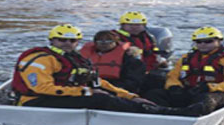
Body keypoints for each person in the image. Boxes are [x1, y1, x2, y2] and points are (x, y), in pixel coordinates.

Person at [11, 24, 162, 114]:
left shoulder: (76, 59)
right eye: (62, 40)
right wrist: (85, 92)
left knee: (106, 93)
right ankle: (152, 113)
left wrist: (130, 96)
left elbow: (99, 82)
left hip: (61, 96)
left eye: (72, 40)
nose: (67, 43)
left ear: (77, 42)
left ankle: (145, 107)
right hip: (34, 101)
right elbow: (42, 87)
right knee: (99, 98)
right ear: (52, 40)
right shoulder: (41, 59)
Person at [143, 26, 224, 116]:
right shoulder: (187, 58)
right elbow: (173, 75)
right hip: (192, 90)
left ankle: (180, 114)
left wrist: (210, 87)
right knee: (155, 94)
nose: (203, 44)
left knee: (206, 100)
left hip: (221, 92)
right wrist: (174, 86)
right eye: (199, 42)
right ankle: (167, 114)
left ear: (219, 41)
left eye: (208, 41)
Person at [79, 30, 145, 93]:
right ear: (95, 43)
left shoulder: (129, 59)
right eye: (100, 41)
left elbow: (132, 82)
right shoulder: (82, 57)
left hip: (117, 88)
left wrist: (112, 89)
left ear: (116, 42)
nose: (104, 44)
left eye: (109, 41)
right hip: (90, 87)